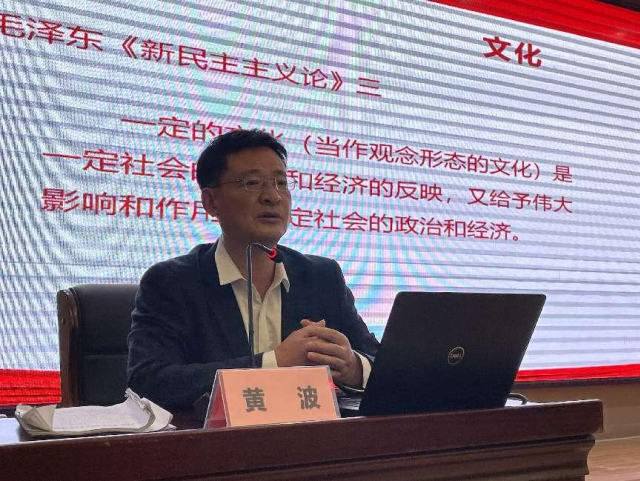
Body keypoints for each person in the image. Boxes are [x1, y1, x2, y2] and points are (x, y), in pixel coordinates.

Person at [127, 129, 379, 409]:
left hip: (311, 434)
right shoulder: (172, 282)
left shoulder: (322, 277)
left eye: (281, 183)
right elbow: (148, 381)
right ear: (211, 202)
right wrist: (274, 363)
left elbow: (382, 361)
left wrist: (353, 366)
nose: (272, 196)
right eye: (252, 183)